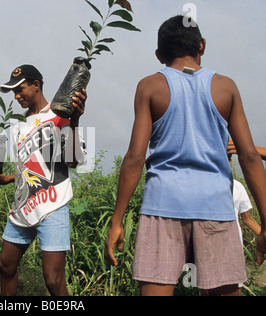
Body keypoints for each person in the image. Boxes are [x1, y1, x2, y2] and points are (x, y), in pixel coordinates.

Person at [104, 15, 266, 296]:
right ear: (202, 45)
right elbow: (250, 156)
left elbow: (134, 158)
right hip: (215, 208)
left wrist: (117, 221)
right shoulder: (225, 87)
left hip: (162, 208)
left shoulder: (150, 87)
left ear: (159, 55)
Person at [0, 65, 87, 296]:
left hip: (53, 206)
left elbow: (74, 162)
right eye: (13, 92)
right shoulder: (18, 123)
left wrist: (74, 121)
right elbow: (28, 165)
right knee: (5, 266)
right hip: (22, 208)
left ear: (36, 85)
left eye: (20, 89)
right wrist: (6, 179)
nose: (16, 96)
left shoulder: (60, 114)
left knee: (53, 280)